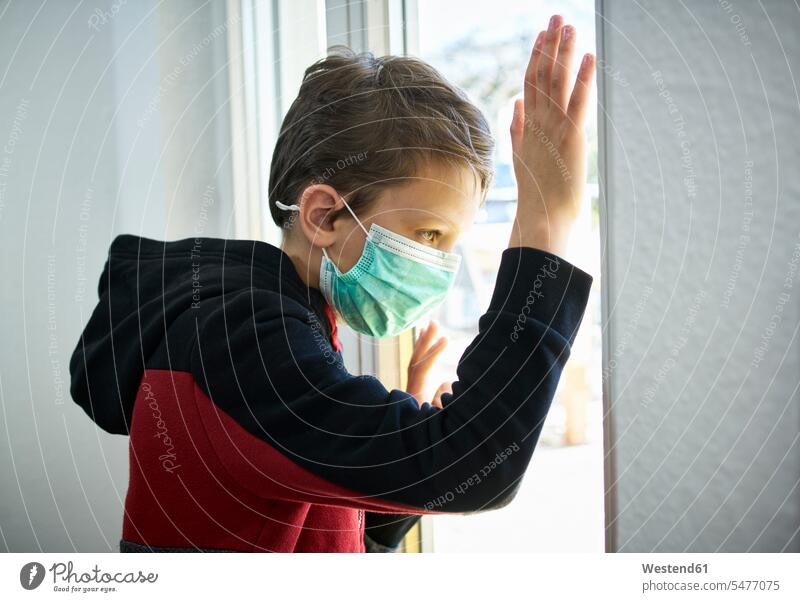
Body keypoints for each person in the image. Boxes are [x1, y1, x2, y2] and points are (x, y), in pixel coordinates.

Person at [70, 14, 596, 552]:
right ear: (323, 216)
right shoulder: (241, 340)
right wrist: (546, 222)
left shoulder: (284, 324)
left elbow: (313, 536)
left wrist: (381, 448)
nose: (441, 264)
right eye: (428, 232)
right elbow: (477, 464)